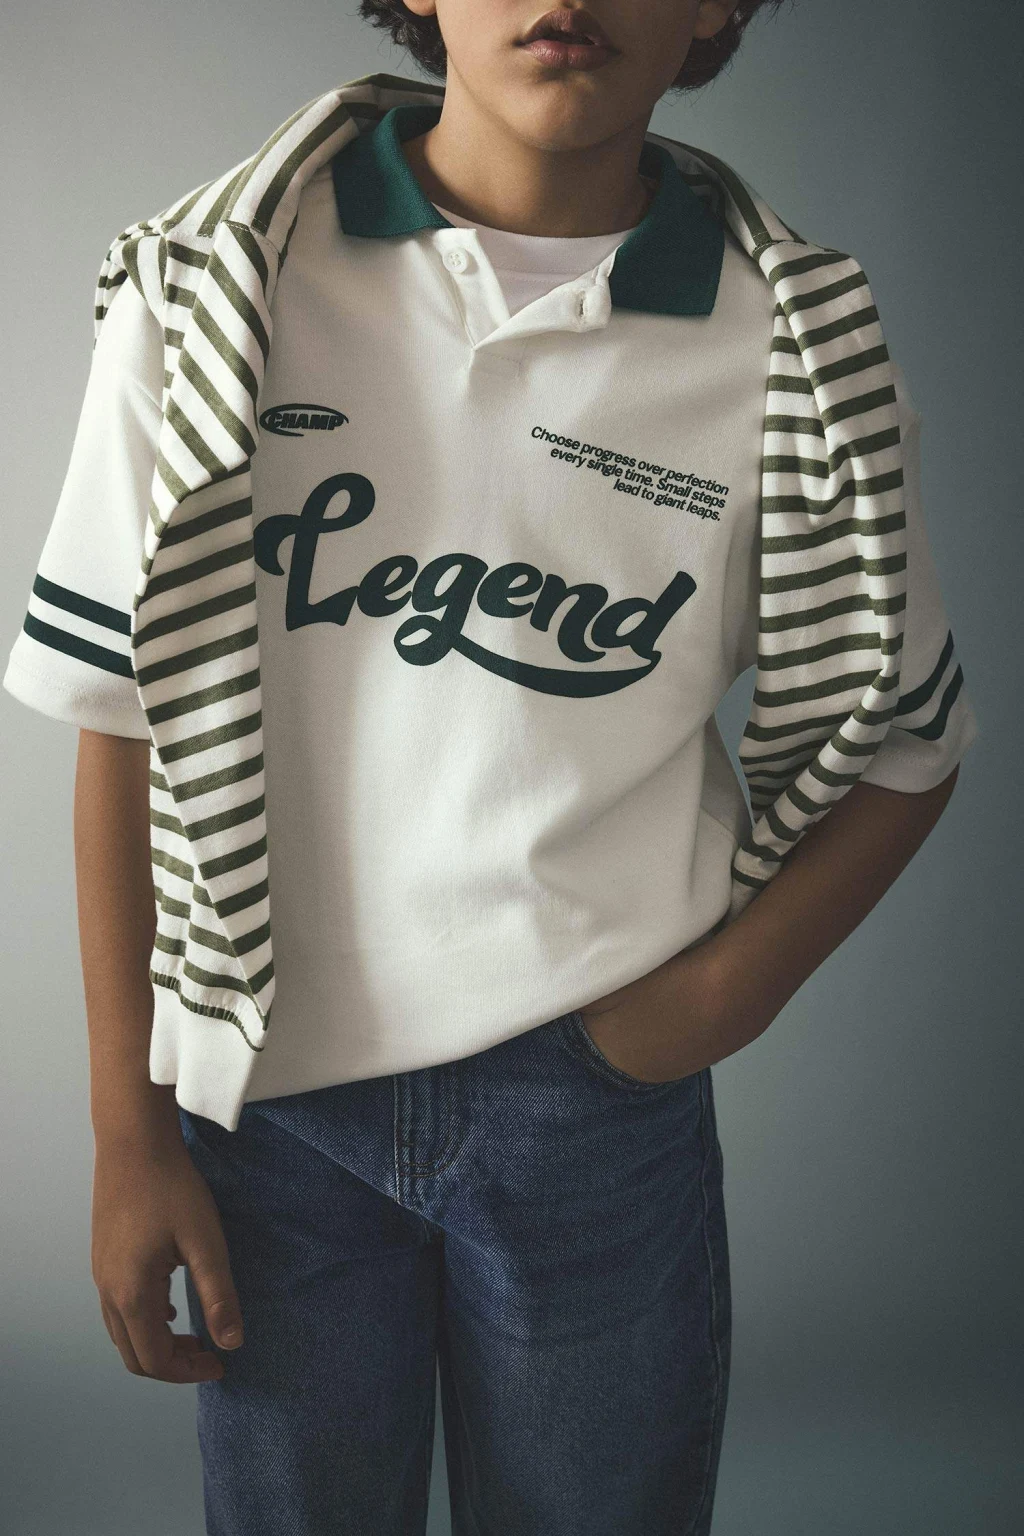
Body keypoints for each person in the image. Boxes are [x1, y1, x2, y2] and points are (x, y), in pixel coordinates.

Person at [3, 2, 979, 1532]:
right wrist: (128, 1132)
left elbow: (907, 739)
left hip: (591, 1110)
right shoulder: (217, 284)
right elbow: (121, 714)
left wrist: (704, 1009)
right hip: (268, 1103)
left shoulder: (792, 350)